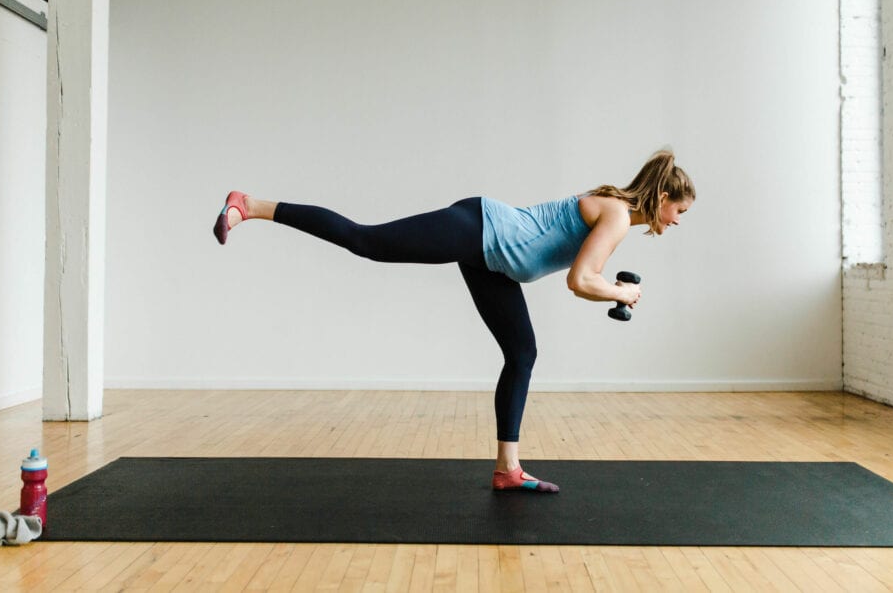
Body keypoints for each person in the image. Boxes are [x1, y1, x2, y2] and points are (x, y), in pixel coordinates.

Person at [213, 149, 695, 493]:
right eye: (680, 210)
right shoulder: (616, 214)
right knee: (367, 242)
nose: (677, 220)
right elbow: (581, 281)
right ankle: (251, 205)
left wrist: (609, 285)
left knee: (522, 354)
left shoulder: (617, 215)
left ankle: (508, 469)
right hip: (478, 229)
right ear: (663, 196)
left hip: (495, 261)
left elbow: (582, 270)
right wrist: (622, 291)